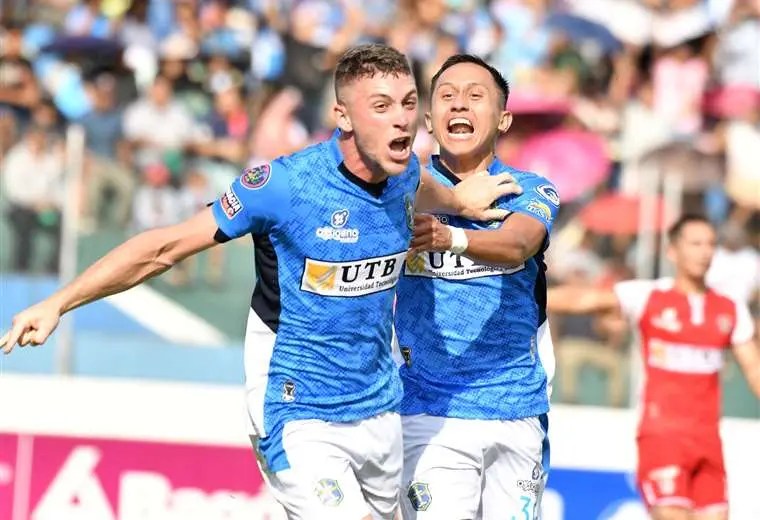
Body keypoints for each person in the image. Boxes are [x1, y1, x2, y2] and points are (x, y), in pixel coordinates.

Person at [1, 44, 520, 520]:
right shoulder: (284, 187)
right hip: (296, 408)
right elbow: (163, 248)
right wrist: (59, 302)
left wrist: (460, 200)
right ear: (342, 115)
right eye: (381, 106)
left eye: (408, 103)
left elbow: (421, 185)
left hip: (379, 406)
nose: (402, 118)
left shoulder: (403, 173)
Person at [393, 54, 558, 519]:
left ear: (503, 119)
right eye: (446, 96)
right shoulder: (401, 190)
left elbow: (518, 244)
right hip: (428, 410)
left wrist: (450, 237)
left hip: (515, 410)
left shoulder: (528, 189)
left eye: (475, 95)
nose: (459, 104)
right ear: (429, 120)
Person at [547, 214, 760, 520]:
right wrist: (527, 296)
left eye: (710, 244)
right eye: (696, 244)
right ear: (672, 251)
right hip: (662, 436)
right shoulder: (648, 295)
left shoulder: (730, 308)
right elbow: (586, 299)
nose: (705, 252)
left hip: (709, 441)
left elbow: (753, 368)